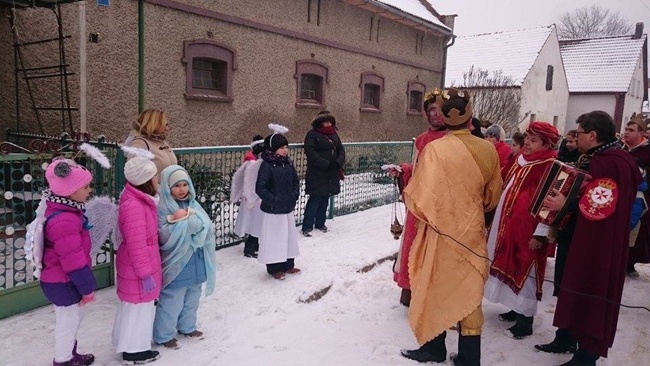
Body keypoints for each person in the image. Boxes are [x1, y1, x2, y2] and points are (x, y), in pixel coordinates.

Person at [400, 89, 503, 366]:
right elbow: (494, 194)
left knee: (435, 286)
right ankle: (470, 358)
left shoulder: (435, 149)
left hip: (440, 232)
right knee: (469, 292)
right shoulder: (488, 148)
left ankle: (434, 349)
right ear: (470, 116)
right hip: (471, 231)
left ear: (444, 119)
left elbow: (420, 197)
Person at [535, 111, 641, 366]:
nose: (577, 136)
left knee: (589, 290)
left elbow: (600, 204)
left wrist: (565, 202)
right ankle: (566, 336)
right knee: (570, 285)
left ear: (592, 135)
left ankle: (585, 356)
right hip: (583, 236)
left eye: (580, 132)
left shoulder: (609, 162)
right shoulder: (609, 157)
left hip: (596, 244)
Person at [484, 122, 560, 339]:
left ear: (546, 144)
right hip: (506, 225)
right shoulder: (520, 160)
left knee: (526, 271)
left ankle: (526, 320)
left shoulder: (552, 166)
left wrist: (540, 233)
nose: (527, 142)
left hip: (529, 231)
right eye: (527, 137)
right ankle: (514, 307)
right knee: (506, 264)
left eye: (533, 140)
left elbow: (551, 203)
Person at [391, 87, 448, 307]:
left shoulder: (455, 138)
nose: (435, 113)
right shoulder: (422, 139)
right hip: (419, 205)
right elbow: (417, 169)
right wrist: (403, 170)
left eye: (439, 109)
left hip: (441, 206)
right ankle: (411, 291)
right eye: (431, 109)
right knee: (414, 246)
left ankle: (432, 296)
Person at [154, 165, 217, 349]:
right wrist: (185, 224)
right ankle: (163, 335)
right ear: (166, 187)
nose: (182, 189)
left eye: (185, 184)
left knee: (192, 297)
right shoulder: (162, 208)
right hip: (177, 264)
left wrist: (195, 224)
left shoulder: (193, 204)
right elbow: (163, 236)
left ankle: (187, 326)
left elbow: (206, 226)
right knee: (172, 299)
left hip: (195, 261)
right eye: (176, 186)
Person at [41, 159, 96, 366]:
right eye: (85, 187)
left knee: (73, 321)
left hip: (65, 281)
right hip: (62, 282)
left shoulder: (70, 212)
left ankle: (70, 355)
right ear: (69, 191)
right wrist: (87, 289)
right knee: (67, 323)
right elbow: (73, 262)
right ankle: (63, 361)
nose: (89, 190)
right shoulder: (64, 220)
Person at [112, 156, 163, 365]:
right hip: (139, 267)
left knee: (137, 307)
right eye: (155, 175)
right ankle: (134, 352)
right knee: (138, 309)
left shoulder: (138, 200)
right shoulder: (134, 205)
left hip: (141, 263)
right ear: (146, 180)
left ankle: (130, 345)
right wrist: (144, 274)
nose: (158, 179)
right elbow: (136, 244)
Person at [256, 124, 301, 280]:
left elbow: (296, 181)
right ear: (272, 149)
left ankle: (288, 264)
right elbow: (260, 188)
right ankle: (274, 267)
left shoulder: (287, 163)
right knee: (275, 238)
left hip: (287, 208)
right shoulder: (267, 165)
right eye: (281, 147)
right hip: (273, 210)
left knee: (288, 237)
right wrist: (274, 201)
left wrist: (294, 195)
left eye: (286, 147)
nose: (285, 150)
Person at [301, 111, 345, 237]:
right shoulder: (312, 134)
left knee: (325, 197)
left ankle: (320, 223)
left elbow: (341, 150)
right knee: (315, 198)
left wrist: (338, 162)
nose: (328, 124)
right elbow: (310, 152)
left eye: (329, 121)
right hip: (317, 172)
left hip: (331, 172)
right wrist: (325, 163)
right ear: (319, 123)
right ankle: (307, 226)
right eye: (325, 121)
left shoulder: (334, 134)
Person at [622, 113, 650, 277]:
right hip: (622, 194)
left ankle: (630, 263)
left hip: (641, 196)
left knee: (636, 229)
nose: (626, 132)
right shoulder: (620, 149)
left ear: (641, 134)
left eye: (631, 130)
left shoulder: (647, 152)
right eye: (626, 129)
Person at [231, 135, 266, 258]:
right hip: (252, 199)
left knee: (256, 223)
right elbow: (245, 181)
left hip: (257, 198)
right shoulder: (252, 164)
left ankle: (255, 244)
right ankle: (250, 248)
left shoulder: (257, 162)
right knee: (253, 224)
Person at [125, 109, 178, 175]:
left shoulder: (162, 141)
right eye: (164, 125)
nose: (167, 129)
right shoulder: (140, 143)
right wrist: (155, 184)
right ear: (154, 124)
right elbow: (135, 174)